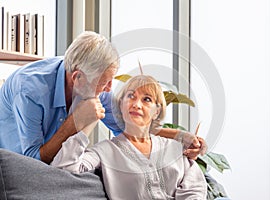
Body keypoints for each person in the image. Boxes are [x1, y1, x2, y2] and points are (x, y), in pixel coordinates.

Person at [0, 31, 206, 164]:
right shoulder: (30, 90)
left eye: (110, 80)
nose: (108, 89)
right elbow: (33, 161)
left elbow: (129, 129)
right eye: (103, 82)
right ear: (77, 77)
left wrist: (181, 137)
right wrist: (74, 123)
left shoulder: (96, 84)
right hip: (13, 164)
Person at [51, 75, 207, 199]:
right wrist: (89, 121)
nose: (136, 104)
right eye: (131, 96)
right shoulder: (104, 151)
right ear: (120, 106)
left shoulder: (175, 149)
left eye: (147, 99)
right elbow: (64, 170)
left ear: (156, 111)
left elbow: (195, 188)